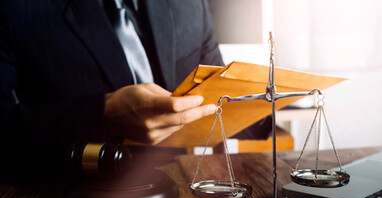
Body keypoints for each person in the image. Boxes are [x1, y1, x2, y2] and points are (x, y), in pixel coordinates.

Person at [0, 0, 266, 178]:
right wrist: (102, 116)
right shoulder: (15, 8)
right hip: (69, 195)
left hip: (182, 189)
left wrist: (269, 103)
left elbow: (221, 95)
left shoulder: (190, 4)